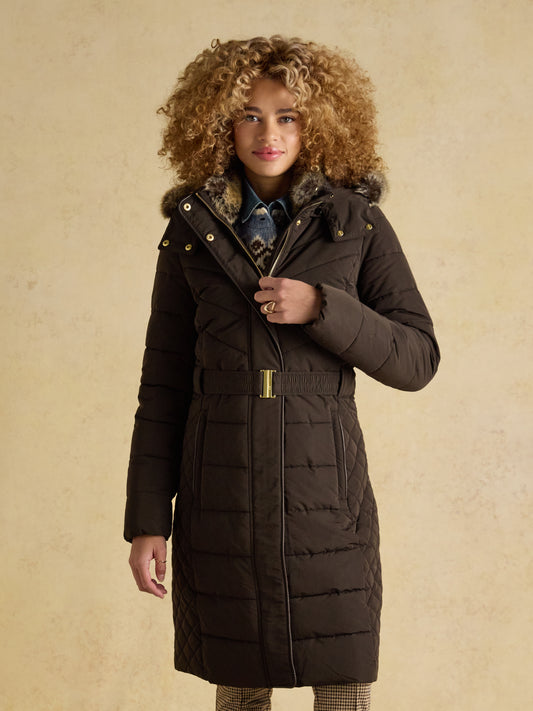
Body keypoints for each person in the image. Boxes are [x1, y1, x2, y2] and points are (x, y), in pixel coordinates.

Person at [124, 36, 440, 711]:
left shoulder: (356, 225)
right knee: (239, 688)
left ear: (317, 122)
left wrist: (324, 308)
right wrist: (148, 520)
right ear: (217, 124)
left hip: (326, 496)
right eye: (249, 115)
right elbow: (163, 386)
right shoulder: (191, 232)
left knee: (342, 687)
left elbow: (417, 358)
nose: (268, 134)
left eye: (287, 116)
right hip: (219, 495)